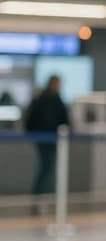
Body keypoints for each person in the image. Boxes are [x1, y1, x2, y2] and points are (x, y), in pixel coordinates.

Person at [25, 75, 69, 205]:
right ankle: (39, 198)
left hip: (42, 138)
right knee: (47, 168)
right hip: (49, 138)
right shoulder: (54, 99)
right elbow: (63, 119)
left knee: (46, 168)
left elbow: (30, 119)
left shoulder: (40, 98)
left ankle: (39, 198)